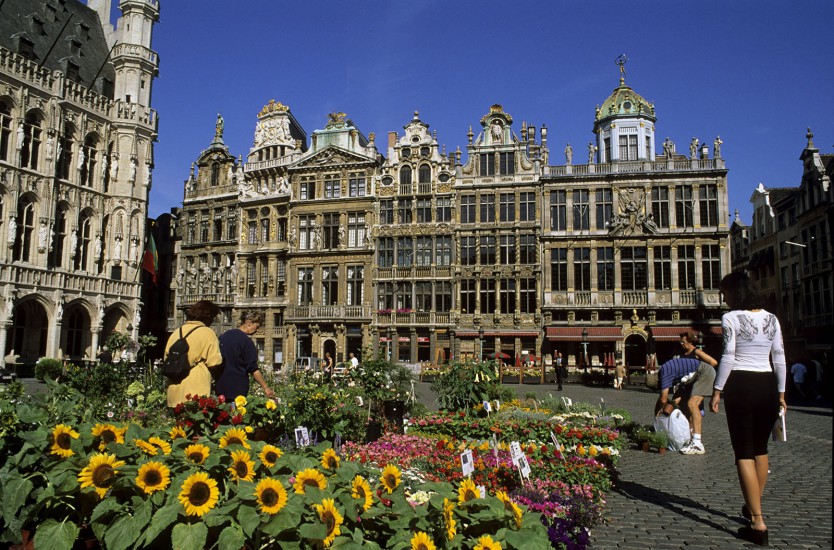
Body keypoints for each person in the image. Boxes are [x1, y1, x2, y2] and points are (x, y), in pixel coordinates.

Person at [710, 272, 786, 546]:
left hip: (741, 384)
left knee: (743, 452)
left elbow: (728, 356)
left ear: (736, 292)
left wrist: (717, 390)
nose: (723, 297)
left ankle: (757, 522)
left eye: (725, 292)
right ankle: (752, 505)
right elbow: (779, 356)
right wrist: (781, 392)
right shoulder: (771, 318)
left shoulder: (731, 318)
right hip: (767, 384)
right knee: (760, 449)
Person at [165, 300, 223, 408]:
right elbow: (214, 362)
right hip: (195, 392)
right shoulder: (207, 333)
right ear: (208, 317)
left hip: (174, 392)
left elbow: (167, 358)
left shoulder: (177, 332)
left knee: (177, 425)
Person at [655, 356, 715, 455]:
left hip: (704, 372)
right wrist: (667, 410)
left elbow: (663, 398)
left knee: (692, 404)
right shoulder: (667, 371)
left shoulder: (665, 373)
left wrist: (656, 413)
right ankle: (689, 439)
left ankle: (697, 444)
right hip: (692, 379)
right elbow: (675, 400)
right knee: (683, 405)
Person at [216, 311, 275, 401]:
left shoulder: (223, 336)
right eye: (257, 326)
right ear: (249, 323)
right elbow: (253, 369)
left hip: (220, 387)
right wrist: (265, 387)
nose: (257, 330)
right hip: (237, 389)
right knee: (236, 414)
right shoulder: (247, 342)